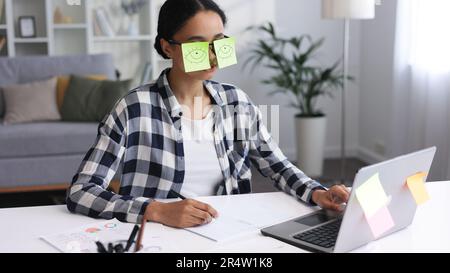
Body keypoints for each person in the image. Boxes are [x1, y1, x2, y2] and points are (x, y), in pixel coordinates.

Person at [66, 0, 349, 228]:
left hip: (230, 231)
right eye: (198, 44)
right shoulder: (133, 107)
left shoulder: (236, 101)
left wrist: (317, 193)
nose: (213, 55)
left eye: (218, 41)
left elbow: (277, 166)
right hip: (159, 235)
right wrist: (156, 211)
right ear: (168, 47)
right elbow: (82, 191)